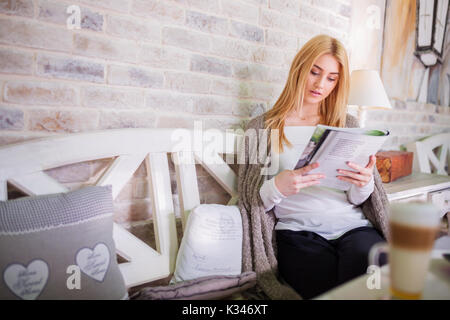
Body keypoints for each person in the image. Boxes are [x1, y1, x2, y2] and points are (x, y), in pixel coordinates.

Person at [237, 34, 390, 300]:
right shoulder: (262, 127)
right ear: (299, 69)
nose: (321, 84)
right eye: (315, 72)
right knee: (327, 290)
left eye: (331, 78)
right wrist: (277, 186)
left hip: (353, 228)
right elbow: (251, 200)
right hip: (298, 233)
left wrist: (363, 183)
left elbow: (360, 199)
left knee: (373, 276)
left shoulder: (348, 124)